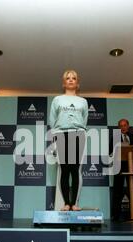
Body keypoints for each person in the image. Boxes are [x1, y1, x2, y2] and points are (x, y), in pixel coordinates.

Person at [49, 70, 88, 211]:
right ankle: (66, 203)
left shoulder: (83, 101)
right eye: (68, 78)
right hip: (61, 134)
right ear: (63, 83)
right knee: (65, 170)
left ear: (77, 83)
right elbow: (52, 120)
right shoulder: (57, 100)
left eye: (74, 78)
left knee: (75, 170)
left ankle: (74, 203)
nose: (71, 80)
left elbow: (84, 120)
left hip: (78, 134)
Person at [111, 118, 133, 221]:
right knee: (118, 192)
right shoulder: (114, 138)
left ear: (128, 126)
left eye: (124, 125)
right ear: (118, 127)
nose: (123, 127)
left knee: (132, 190)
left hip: (131, 166)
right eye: (121, 126)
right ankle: (116, 216)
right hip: (119, 167)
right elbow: (110, 152)